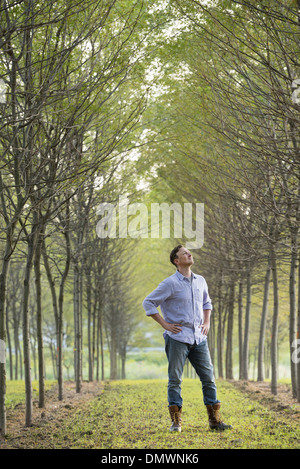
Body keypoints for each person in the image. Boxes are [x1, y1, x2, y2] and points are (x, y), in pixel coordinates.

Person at [142, 245, 232, 433]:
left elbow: (207, 303)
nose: (189, 254)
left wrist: (206, 322)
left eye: (189, 252)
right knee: (175, 379)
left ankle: (214, 422)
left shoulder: (201, 281)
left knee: (209, 379)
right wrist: (165, 325)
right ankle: (176, 422)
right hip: (177, 338)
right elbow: (148, 302)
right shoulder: (170, 283)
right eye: (184, 253)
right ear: (176, 261)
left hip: (199, 338)